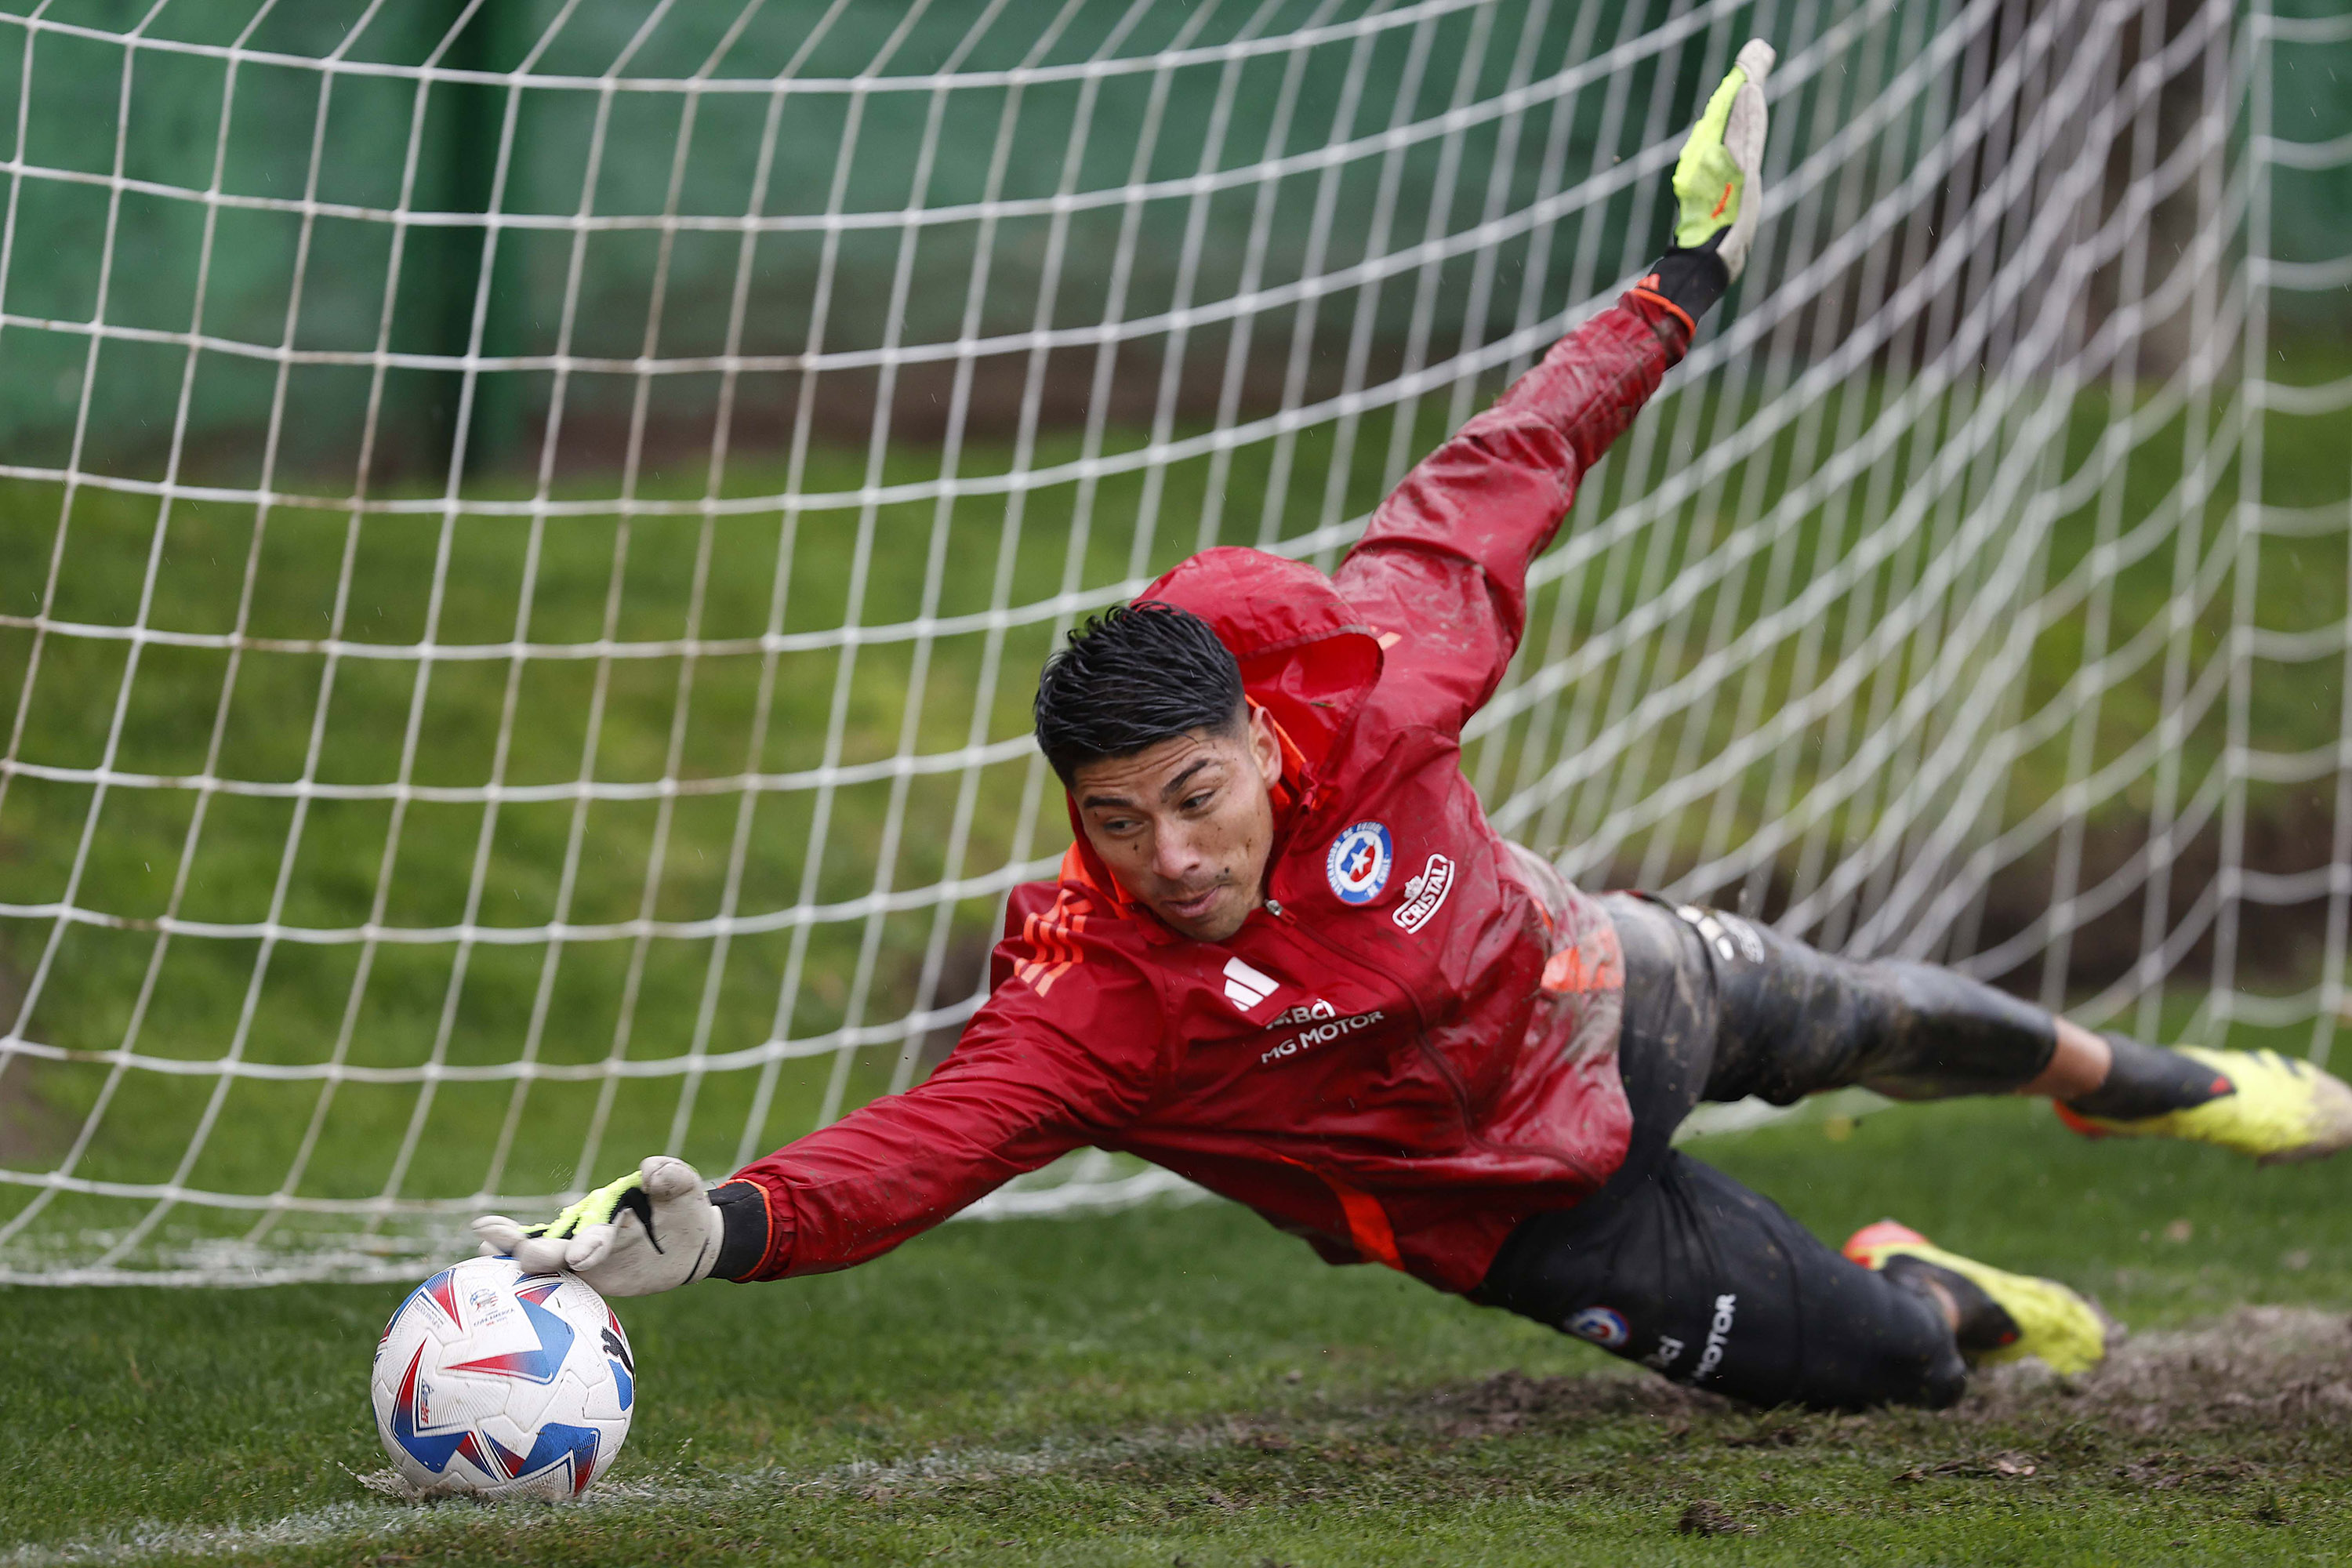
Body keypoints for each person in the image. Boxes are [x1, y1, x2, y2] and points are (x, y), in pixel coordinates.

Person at [475, 43, 2352, 1410]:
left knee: (1876, 1011)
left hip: (1593, 989)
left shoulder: (1373, 669)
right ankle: (1917, 1282)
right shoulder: (1093, 996)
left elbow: (1510, 461)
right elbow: (928, 1142)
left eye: (1193, 797)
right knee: (1898, 1373)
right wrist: (726, 1223)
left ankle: (2154, 1087)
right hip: (1516, 1213)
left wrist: (1685, 275)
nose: (1169, 854)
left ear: (1266, 745)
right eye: (1116, 823)